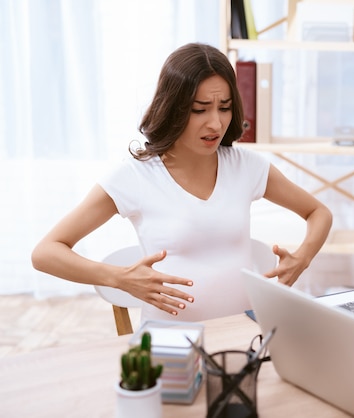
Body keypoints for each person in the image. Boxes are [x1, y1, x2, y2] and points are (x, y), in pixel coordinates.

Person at [31, 43, 332, 323]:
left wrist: (302, 258)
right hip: (169, 344)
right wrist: (118, 278)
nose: (215, 123)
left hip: (242, 337)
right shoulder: (135, 177)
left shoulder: (247, 167)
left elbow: (319, 212)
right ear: (173, 107)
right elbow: (46, 252)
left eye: (224, 107)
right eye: (200, 109)